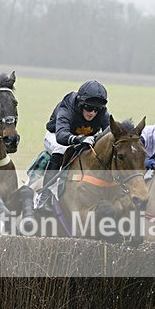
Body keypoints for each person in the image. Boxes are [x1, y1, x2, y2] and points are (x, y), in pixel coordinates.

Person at [34, 80, 110, 211]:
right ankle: (44, 195)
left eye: (96, 109)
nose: (92, 113)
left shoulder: (102, 112)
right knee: (61, 149)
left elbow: (110, 131)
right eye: (88, 108)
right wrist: (79, 139)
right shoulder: (68, 106)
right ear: (80, 104)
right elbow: (61, 136)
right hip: (56, 136)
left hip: (84, 138)